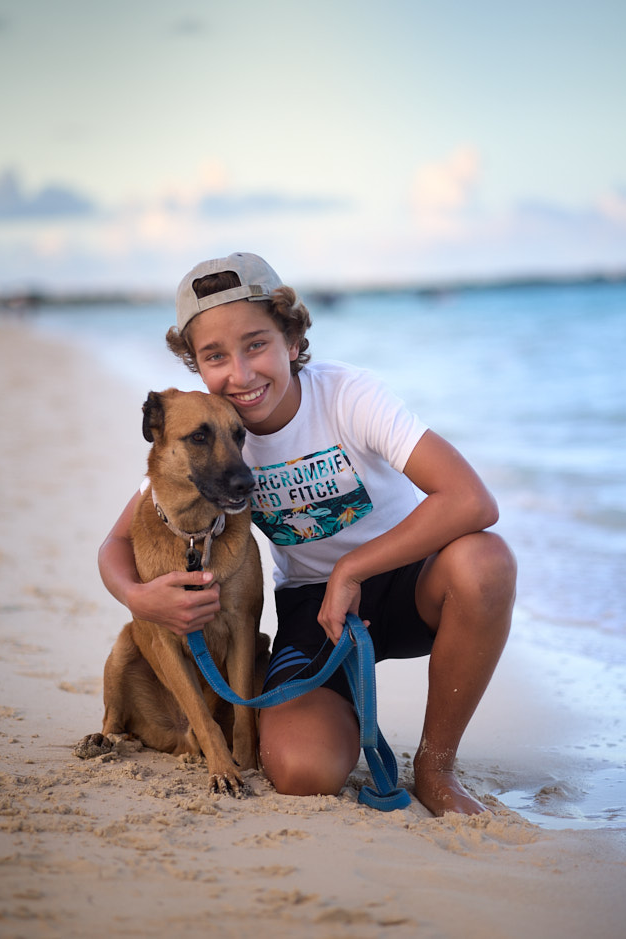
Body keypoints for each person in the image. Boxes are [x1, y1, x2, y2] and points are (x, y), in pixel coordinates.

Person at [99, 252, 516, 817]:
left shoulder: (348, 397)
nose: (242, 373)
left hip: (412, 582)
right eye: (216, 356)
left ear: (292, 341)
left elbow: (472, 500)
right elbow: (116, 544)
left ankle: (436, 767)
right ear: (197, 367)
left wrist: (352, 568)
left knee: (485, 563)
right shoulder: (208, 440)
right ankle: (333, 709)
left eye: (257, 344)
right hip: (314, 608)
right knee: (302, 771)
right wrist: (138, 599)